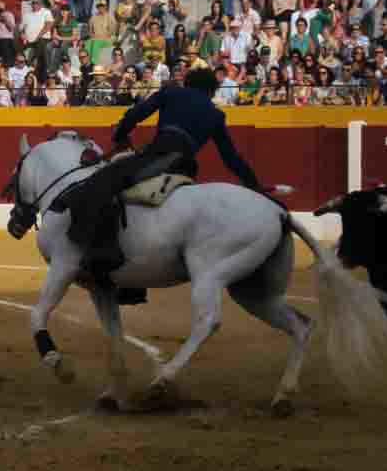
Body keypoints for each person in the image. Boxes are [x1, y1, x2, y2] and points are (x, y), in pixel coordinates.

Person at [63, 69, 264, 306]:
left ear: (187, 83)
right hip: (185, 168)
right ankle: (133, 286)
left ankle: (99, 253)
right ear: (211, 92)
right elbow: (231, 158)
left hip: (159, 157)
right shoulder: (215, 114)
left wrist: (120, 133)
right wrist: (255, 185)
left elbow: (136, 114)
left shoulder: (171, 93)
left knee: (104, 181)